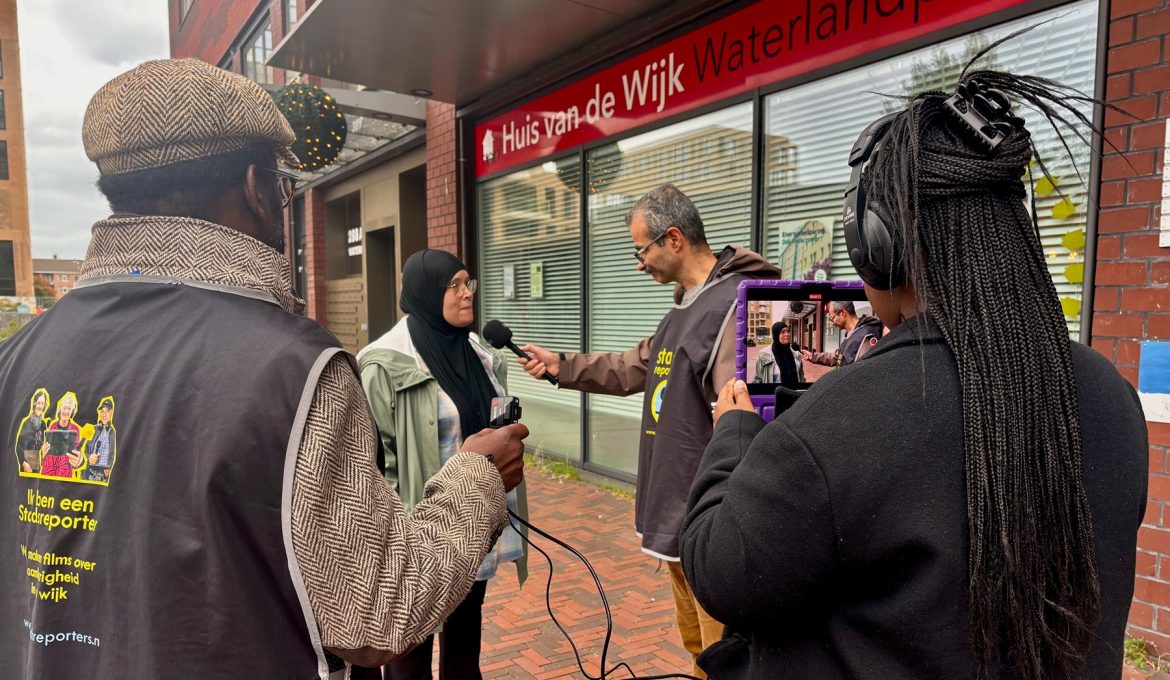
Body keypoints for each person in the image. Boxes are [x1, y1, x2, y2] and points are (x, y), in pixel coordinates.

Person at [0, 58, 527, 679]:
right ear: (255, 187)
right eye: (281, 186)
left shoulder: (17, 356)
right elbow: (379, 611)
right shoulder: (294, 371)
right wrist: (476, 479)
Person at [679, 68, 1148, 680]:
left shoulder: (839, 427)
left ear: (876, 245)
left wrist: (734, 435)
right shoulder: (1111, 394)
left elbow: (722, 569)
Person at [519, 184, 780, 677]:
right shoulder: (682, 309)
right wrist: (560, 366)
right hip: (679, 513)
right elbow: (631, 366)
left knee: (724, 655)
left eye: (642, 249)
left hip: (712, 519)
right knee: (697, 648)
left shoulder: (738, 309)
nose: (640, 263)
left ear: (674, 238)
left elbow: (745, 420)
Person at [358, 249, 528, 680]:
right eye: (453, 286)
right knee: (409, 660)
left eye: (468, 283)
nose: (466, 294)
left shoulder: (479, 353)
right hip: (416, 540)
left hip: (474, 523)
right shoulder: (383, 364)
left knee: (465, 650)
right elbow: (375, 468)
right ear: (425, 293)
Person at [801, 300, 882, 367]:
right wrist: (812, 356)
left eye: (832, 318)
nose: (832, 323)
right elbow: (837, 357)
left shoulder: (866, 335)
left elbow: (864, 373)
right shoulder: (851, 334)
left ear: (843, 312)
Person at [42, 392, 83, 479]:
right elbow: (44, 450)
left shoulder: (75, 430)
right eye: (64, 407)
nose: (66, 411)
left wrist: (79, 462)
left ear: (72, 411)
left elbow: (77, 451)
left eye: (69, 408)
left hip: (65, 474)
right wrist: (42, 454)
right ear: (60, 409)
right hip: (48, 471)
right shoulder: (51, 426)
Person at [82, 397, 117, 482]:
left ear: (112, 413)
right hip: (90, 472)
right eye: (102, 411)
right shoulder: (90, 429)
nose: (104, 414)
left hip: (104, 475)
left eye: (107, 411)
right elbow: (79, 449)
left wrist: (109, 468)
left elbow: (113, 456)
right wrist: (88, 458)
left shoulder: (114, 433)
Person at [16, 388, 49, 473]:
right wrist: (23, 463)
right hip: (26, 464)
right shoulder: (27, 423)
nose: (40, 406)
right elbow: (18, 447)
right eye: (38, 403)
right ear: (34, 404)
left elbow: (44, 445)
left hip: (37, 463)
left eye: (42, 403)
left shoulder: (43, 424)